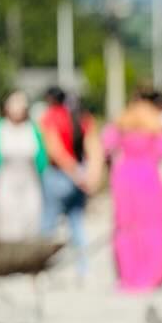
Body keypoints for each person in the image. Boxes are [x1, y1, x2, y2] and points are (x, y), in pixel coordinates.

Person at [102, 90, 162, 292]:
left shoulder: (123, 119)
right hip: (149, 177)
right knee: (153, 226)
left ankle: (128, 276)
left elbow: (107, 144)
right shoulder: (156, 122)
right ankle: (152, 276)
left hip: (125, 178)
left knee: (126, 227)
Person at [0, 91, 51, 242]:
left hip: (30, 185)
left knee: (31, 223)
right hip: (4, 186)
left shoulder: (33, 130)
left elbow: (42, 161)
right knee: (6, 227)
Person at [39, 86, 102, 276]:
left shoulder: (51, 117)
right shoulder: (84, 118)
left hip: (59, 174)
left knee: (48, 225)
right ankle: (83, 267)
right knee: (77, 223)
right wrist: (89, 176)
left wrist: (74, 173)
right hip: (79, 174)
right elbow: (94, 149)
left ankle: (41, 266)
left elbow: (55, 150)